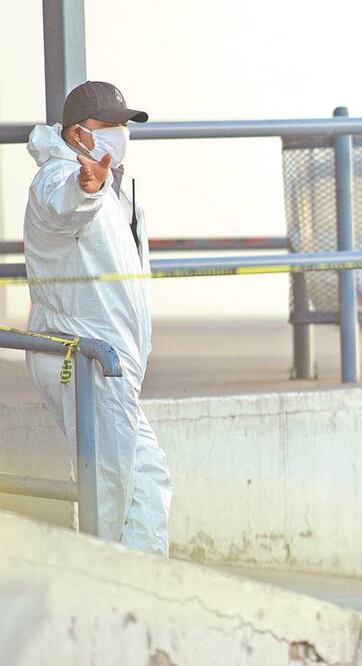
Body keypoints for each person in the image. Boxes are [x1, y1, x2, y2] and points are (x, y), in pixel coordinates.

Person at [23, 81, 172, 555]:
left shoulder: (115, 187)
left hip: (109, 365)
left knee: (147, 478)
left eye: (123, 124)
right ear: (76, 133)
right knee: (108, 489)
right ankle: (100, 583)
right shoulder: (60, 177)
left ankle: (141, 581)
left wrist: (98, 186)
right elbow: (65, 207)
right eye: (106, 125)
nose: (119, 133)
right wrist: (85, 189)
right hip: (83, 361)